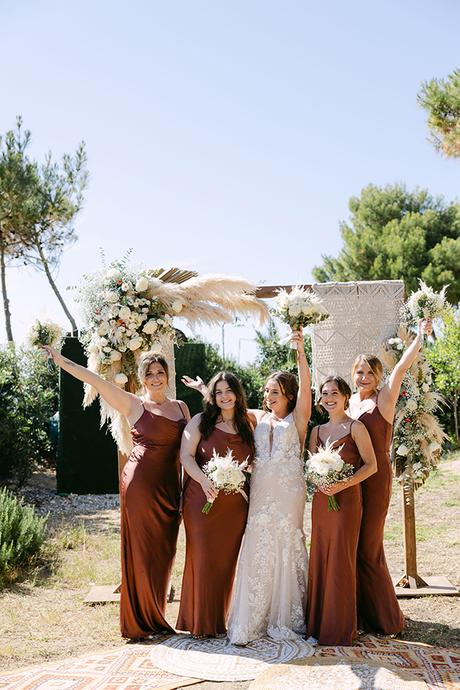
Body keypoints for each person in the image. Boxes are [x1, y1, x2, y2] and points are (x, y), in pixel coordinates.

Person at [43, 347, 190, 639]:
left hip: (170, 488)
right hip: (141, 486)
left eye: (160, 372)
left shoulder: (182, 408)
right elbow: (96, 381)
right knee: (141, 552)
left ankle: (156, 616)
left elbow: (191, 448)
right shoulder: (134, 404)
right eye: (149, 374)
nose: (156, 378)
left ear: (167, 376)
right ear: (142, 379)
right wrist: (62, 360)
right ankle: (141, 623)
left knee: (165, 552)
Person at [226, 331, 312, 645]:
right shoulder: (259, 417)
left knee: (287, 542)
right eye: (266, 391)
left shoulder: (299, 418)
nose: (268, 396)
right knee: (259, 543)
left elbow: (306, 387)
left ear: (288, 395)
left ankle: (287, 616)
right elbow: (228, 407)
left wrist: (300, 352)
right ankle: (254, 616)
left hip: (290, 493)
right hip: (261, 492)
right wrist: (205, 391)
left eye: (274, 391)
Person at [349, 319, 432, 635]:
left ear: (378, 376)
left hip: (376, 477)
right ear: (353, 374)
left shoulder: (383, 398)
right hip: (352, 478)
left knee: (369, 547)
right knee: (353, 545)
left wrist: (419, 337)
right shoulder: (351, 401)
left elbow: (401, 368)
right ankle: (358, 613)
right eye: (359, 372)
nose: (364, 377)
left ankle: (386, 619)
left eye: (370, 372)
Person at [177, 371, 255, 638]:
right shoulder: (201, 421)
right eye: (218, 392)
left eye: (228, 390)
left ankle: (219, 618)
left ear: (237, 392)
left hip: (234, 506)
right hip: (201, 500)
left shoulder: (248, 424)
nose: (224, 396)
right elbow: (185, 456)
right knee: (202, 558)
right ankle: (200, 621)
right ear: (213, 396)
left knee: (224, 561)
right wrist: (203, 481)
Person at [306, 376, 377, 646]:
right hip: (322, 502)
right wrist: (319, 481)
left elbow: (371, 465)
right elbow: (310, 468)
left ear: (346, 396)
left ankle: (340, 627)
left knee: (341, 559)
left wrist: (343, 483)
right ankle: (318, 624)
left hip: (347, 501)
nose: (329, 398)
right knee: (321, 557)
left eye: (334, 392)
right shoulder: (316, 432)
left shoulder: (356, 427)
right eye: (324, 394)